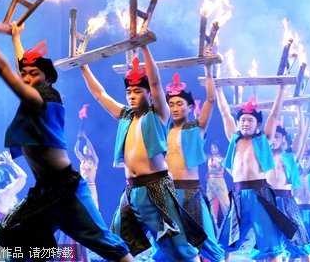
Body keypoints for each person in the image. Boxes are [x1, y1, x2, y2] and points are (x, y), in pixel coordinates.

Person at [0, 13, 133, 262]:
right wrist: (16, 37)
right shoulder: (35, 94)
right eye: (25, 74)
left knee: (107, 244)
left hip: (66, 188)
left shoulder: (43, 98)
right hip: (43, 193)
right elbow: (23, 68)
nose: (27, 78)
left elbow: (5, 71)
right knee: (16, 246)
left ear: (47, 78)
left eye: (34, 74)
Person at [80, 42, 206, 262]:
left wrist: (145, 47)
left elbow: (156, 81)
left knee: (179, 245)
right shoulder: (125, 115)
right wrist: (83, 66)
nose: (131, 95)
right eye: (129, 92)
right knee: (116, 243)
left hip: (156, 188)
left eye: (137, 91)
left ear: (149, 95)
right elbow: (100, 94)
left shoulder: (158, 113)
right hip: (132, 192)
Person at [215, 85, 297, 262]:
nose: (245, 123)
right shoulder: (234, 139)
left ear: (257, 124)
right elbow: (224, 112)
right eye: (243, 120)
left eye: (250, 120)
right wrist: (218, 89)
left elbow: (274, 114)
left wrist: (282, 89)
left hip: (260, 195)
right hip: (238, 196)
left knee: (271, 243)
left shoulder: (263, 140)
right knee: (227, 238)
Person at [152, 69, 224, 261]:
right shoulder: (161, 131)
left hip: (191, 194)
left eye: (179, 104)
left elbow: (210, 100)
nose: (175, 108)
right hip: (167, 193)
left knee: (206, 241)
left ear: (190, 107)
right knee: (166, 244)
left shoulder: (196, 128)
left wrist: (208, 69)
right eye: (171, 104)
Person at [251, 116, 310, 262]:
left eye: (277, 136)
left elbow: (301, 134)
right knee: (268, 245)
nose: (273, 140)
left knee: (302, 241)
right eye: (271, 137)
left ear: (283, 139)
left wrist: (300, 111)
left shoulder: (291, 156)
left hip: (286, 201)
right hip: (267, 201)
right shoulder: (261, 156)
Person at [206, 143, 230, 227]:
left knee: (225, 203)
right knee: (210, 203)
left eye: (215, 147)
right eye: (212, 148)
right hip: (210, 183)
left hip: (219, 181)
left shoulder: (222, 159)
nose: (213, 149)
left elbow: (221, 167)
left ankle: (229, 224)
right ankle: (213, 225)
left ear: (219, 148)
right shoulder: (210, 158)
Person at [74, 130, 99, 209]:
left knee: (94, 205)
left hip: (91, 185)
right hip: (83, 184)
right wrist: (78, 139)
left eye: (87, 149)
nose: (86, 151)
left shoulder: (94, 161)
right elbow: (76, 150)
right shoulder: (82, 160)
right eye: (85, 150)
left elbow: (92, 149)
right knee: (82, 204)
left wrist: (86, 138)